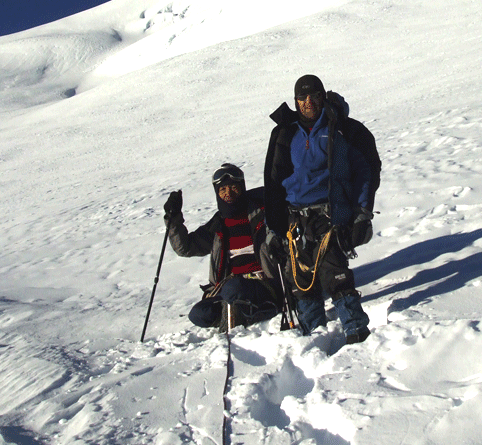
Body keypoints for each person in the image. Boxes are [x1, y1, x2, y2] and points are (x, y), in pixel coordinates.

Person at [263, 75, 380, 344]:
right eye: (302, 99)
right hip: (296, 218)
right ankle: (312, 336)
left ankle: (356, 330)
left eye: (313, 97)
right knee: (300, 277)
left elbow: (364, 172)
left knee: (334, 271)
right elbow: (273, 181)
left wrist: (362, 213)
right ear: (295, 102)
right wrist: (274, 226)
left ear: (322, 97)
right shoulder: (286, 132)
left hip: (330, 214)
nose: (308, 103)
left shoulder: (339, 129)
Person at [163, 163, 280, 331]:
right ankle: (246, 311)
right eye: (222, 190)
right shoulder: (218, 224)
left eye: (233, 188)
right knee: (199, 314)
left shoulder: (262, 213)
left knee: (233, 289)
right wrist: (173, 219)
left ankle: (232, 328)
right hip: (230, 287)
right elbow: (185, 248)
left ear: (242, 188)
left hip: (264, 283)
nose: (228, 194)